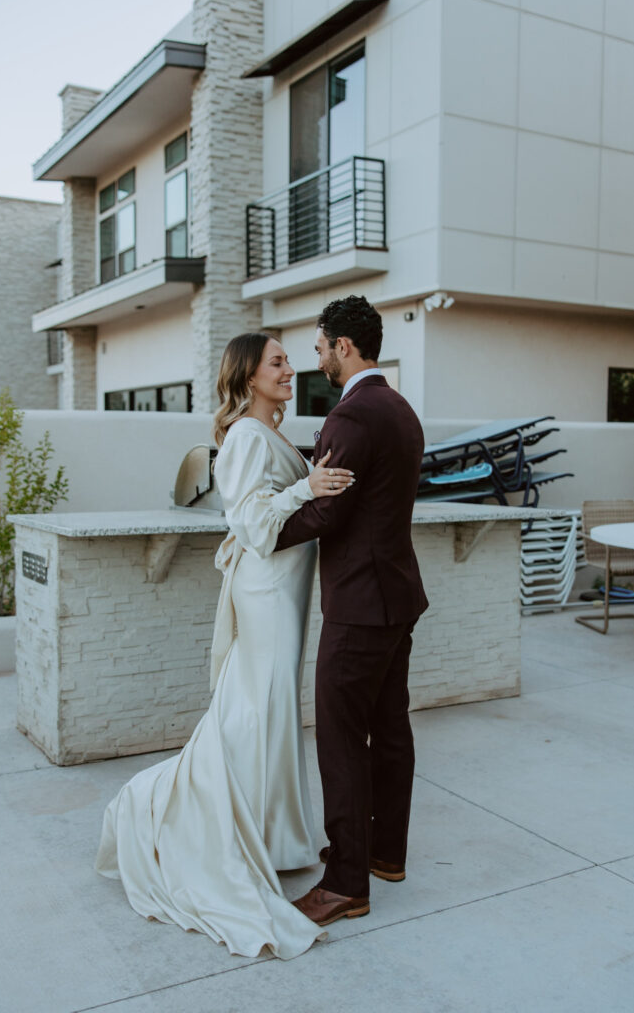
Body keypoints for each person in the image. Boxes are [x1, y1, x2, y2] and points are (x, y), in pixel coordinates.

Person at [95, 332, 354, 960]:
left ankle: (270, 835)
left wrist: (307, 482)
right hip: (265, 591)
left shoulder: (267, 433)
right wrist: (306, 489)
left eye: (290, 360)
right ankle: (182, 816)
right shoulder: (240, 437)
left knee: (271, 710)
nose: (290, 369)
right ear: (247, 376)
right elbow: (251, 521)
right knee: (253, 705)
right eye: (277, 362)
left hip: (285, 589)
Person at [274, 294, 428, 927]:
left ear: (343, 346)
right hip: (397, 595)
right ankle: (385, 854)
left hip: (360, 604)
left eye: (319, 348)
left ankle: (344, 883)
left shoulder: (351, 417)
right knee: (390, 728)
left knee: (340, 737)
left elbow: (324, 511)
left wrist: (258, 529)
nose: (316, 359)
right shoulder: (400, 409)